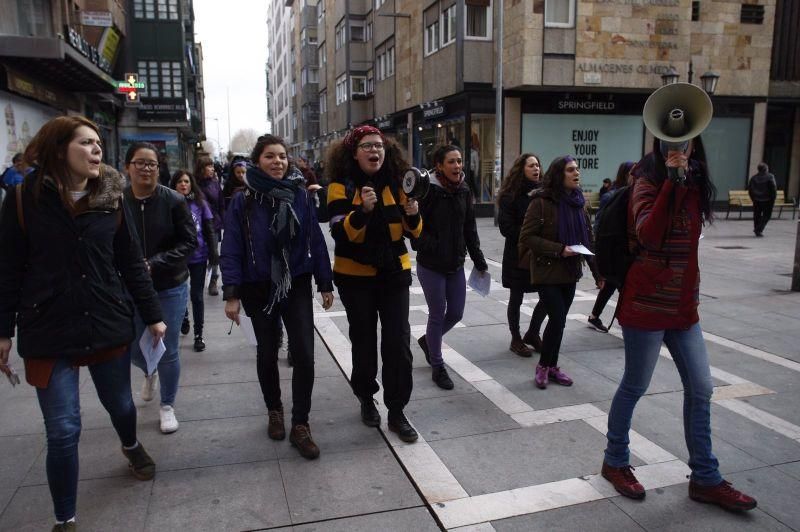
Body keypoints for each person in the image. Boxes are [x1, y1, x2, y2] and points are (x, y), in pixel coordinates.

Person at [0, 116, 166, 531]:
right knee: (62, 429)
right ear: (59, 150)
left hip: (105, 320)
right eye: (86, 143)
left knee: (122, 405)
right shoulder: (23, 199)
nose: (97, 150)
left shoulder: (112, 198)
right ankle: (65, 519)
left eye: (98, 143)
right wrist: (3, 331)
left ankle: (129, 443)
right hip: (47, 329)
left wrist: (153, 315)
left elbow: (129, 261)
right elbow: (8, 269)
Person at [601, 137, 757, 511]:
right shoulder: (646, 180)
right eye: (672, 140)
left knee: (702, 388)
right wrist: (671, 180)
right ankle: (615, 460)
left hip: (683, 305)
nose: (680, 146)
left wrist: (686, 180)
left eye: (686, 140)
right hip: (647, 302)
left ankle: (705, 477)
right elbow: (649, 235)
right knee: (635, 385)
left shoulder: (696, 180)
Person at [221, 134, 334, 459]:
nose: (278, 161)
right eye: (270, 156)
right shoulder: (243, 201)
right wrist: (232, 293)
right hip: (258, 287)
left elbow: (314, 237)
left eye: (282, 156)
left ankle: (301, 424)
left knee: (305, 354)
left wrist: (324, 282)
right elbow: (231, 250)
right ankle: (275, 410)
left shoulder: (298, 195)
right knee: (267, 352)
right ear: (257, 161)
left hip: (296, 282)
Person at [325, 125, 421, 443]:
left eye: (378, 145)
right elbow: (341, 233)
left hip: (394, 272)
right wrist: (363, 212)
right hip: (355, 278)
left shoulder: (396, 183)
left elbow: (414, 233)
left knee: (398, 344)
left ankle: (396, 410)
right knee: (364, 343)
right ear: (354, 153)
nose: (374, 150)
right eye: (367, 146)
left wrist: (413, 214)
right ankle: (367, 397)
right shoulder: (340, 187)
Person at [123, 142, 197, 434]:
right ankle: (148, 371)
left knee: (168, 349)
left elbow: (190, 242)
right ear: (128, 167)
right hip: (130, 288)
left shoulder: (174, 200)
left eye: (151, 164)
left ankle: (167, 405)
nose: (146, 168)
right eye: (139, 163)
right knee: (132, 347)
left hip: (169, 285)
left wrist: (156, 262)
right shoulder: (117, 201)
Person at [519, 156, 602, 389]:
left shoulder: (579, 202)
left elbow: (588, 240)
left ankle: (552, 366)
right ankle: (543, 366)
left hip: (569, 271)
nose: (576, 173)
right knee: (557, 317)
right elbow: (526, 237)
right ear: (559, 174)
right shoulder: (541, 202)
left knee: (560, 321)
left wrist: (598, 275)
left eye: (577, 169)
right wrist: (559, 249)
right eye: (570, 170)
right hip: (547, 271)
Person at [413, 145, 488, 390]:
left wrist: (479, 260)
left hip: (455, 264)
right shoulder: (428, 191)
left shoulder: (464, 190)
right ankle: (438, 365)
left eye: (459, 161)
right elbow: (413, 229)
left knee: (456, 313)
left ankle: (428, 341)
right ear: (439, 166)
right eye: (452, 162)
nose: (457, 166)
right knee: (437, 313)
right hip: (431, 264)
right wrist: (432, 245)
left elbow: (470, 228)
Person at [498, 153, 548, 356]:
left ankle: (533, 332)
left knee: (548, 294)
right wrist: (531, 235)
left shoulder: (545, 193)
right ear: (521, 170)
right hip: (518, 254)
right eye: (531, 166)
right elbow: (506, 227)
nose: (536, 169)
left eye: (537, 165)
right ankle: (516, 338)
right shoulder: (510, 195)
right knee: (516, 297)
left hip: (541, 253)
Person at [171, 170, 219, 351]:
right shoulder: (168, 203)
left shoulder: (200, 204)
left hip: (198, 256)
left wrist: (214, 252)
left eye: (186, 181)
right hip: (176, 258)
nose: (183, 185)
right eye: (179, 182)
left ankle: (199, 335)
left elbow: (209, 228)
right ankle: (183, 316)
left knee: (197, 296)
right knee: (181, 293)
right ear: (174, 184)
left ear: (191, 184)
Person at [587, 161, 635, 333]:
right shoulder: (612, 195)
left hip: (622, 250)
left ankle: (594, 316)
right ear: (625, 174)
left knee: (610, 286)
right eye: (632, 172)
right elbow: (600, 223)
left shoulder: (633, 194)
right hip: (615, 251)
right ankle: (629, 325)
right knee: (624, 287)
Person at [195, 156, 224, 295]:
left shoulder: (215, 183)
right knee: (200, 252)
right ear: (201, 169)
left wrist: (223, 222)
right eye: (209, 166)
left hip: (214, 225)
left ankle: (213, 280)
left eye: (213, 166)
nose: (212, 169)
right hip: (198, 225)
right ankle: (199, 279)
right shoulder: (194, 184)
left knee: (214, 253)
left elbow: (221, 205)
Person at [747, 162, 777, 237]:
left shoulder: (754, 178)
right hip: (768, 200)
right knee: (767, 215)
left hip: (757, 200)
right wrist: (773, 198)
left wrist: (753, 198)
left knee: (757, 215)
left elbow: (750, 190)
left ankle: (757, 229)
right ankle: (758, 229)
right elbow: (773, 188)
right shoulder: (770, 177)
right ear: (766, 169)